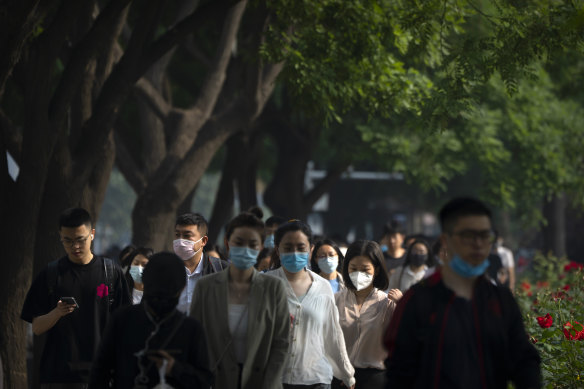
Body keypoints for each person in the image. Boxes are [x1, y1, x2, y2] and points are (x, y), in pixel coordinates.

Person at [384, 197, 541, 388]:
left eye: (485, 236)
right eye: (468, 235)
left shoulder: (500, 300)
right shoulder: (417, 300)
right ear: (445, 240)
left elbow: (524, 361)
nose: (478, 244)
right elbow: (399, 372)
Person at [21, 207, 131, 387]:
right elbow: (37, 327)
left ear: (92, 234)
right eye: (68, 241)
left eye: (80, 239)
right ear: (60, 237)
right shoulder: (51, 274)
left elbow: (124, 327)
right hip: (58, 377)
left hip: (101, 376)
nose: (75, 247)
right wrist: (56, 313)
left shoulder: (111, 273)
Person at [190, 210, 289, 389]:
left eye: (252, 244)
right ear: (228, 244)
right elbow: (195, 338)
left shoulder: (274, 288)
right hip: (217, 381)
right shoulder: (206, 287)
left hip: (261, 382)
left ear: (260, 247)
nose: (245, 249)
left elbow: (280, 344)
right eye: (239, 242)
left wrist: (269, 383)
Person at [89, 252, 214, 388]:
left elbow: (204, 380)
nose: (160, 299)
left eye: (166, 293)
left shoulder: (191, 329)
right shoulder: (122, 321)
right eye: (157, 292)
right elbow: (100, 372)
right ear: (182, 288)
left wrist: (176, 369)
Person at [268, 220, 356, 389]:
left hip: (316, 379)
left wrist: (347, 373)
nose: (294, 253)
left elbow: (333, 333)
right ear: (278, 250)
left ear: (310, 250)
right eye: (288, 247)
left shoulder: (322, 286)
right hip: (276, 379)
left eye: (301, 247)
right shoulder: (266, 284)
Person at [333, 240, 398, 389]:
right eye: (353, 268)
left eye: (365, 269)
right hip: (340, 378)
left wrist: (402, 305)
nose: (358, 274)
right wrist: (342, 372)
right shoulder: (335, 300)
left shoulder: (387, 303)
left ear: (376, 269)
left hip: (374, 380)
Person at [173, 212, 228, 314]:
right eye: (177, 235)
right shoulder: (164, 271)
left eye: (187, 236)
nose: (180, 241)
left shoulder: (222, 270)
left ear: (203, 241)